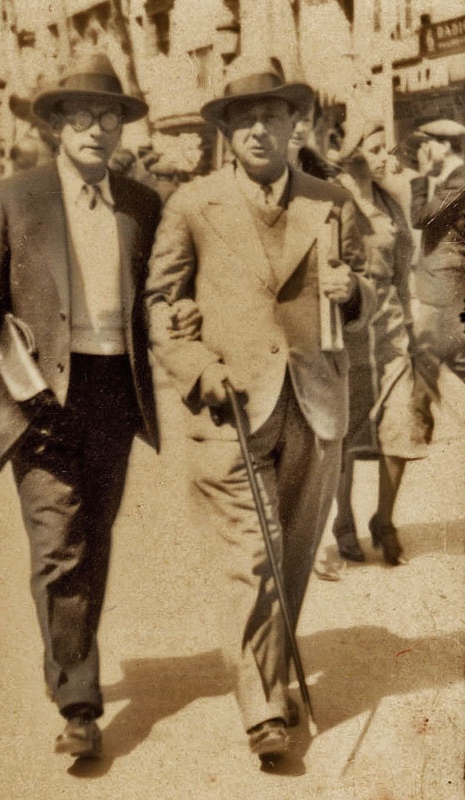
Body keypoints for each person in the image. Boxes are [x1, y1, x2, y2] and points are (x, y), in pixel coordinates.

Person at [0, 52, 199, 760]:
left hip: (116, 391)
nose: (95, 128)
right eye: (80, 116)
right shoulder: (13, 199)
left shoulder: (144, 204)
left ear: (121, 128)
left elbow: (166, 296)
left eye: (108, 116)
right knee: (59, 543)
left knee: (96, 533)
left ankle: (65, 654)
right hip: (38, 393)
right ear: (56, 125)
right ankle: (80, 703)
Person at [145, 66, 374, 762]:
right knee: (252, 555)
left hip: (314, 403)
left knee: (294, 556)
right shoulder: (192, 204)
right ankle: (264, 710)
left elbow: (368, 289)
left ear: (292, 125)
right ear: (225, 130)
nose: (258, 130)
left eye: (271, 117)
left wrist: (352, 287)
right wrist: (197, 368)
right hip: (231, 406)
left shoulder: (331, 201)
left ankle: (270, 672)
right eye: (243, 119)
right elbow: (159, 305)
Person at [316, 120, 432, 573]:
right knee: (345, 434)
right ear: (353, 152)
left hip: (391, 330)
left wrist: (411, 319)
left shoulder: (390, 199)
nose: (390, 157)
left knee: (403, 424)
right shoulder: (328, 201)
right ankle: (344, 525)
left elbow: (405, 267)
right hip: (348, 333)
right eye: (379, 149)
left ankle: (383, 520)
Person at [409, 119, 465, 385]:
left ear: (444, 147)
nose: (423, 151)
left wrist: (421, 174)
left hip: (444, 289)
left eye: (427, 145)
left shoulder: (459, 180)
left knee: (424, 367)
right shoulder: (454, 180)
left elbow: (420, 217)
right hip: (446, 287)